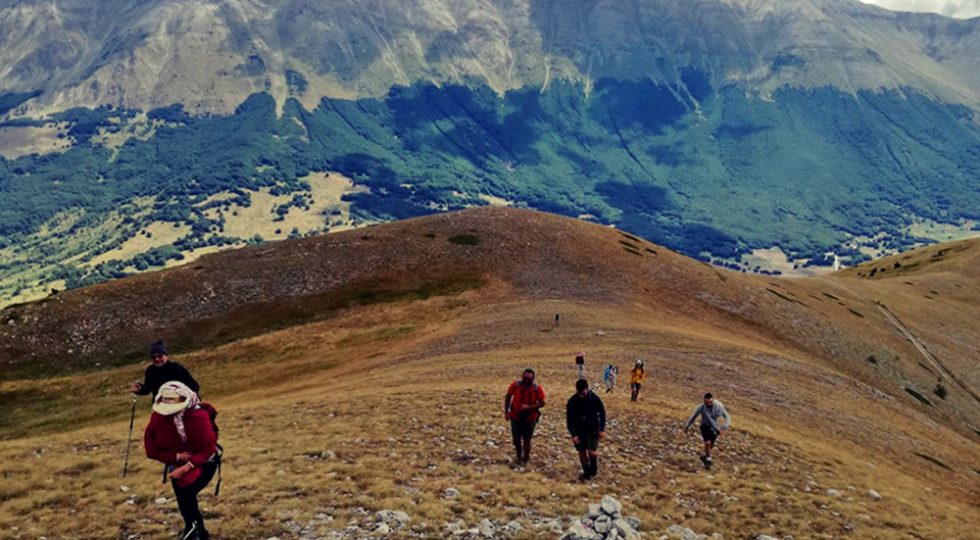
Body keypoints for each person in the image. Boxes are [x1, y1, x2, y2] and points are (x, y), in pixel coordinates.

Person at [144, 381, 219, 540]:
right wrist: (177, 458)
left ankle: (195, 532)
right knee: (185, 502)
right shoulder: (158, 417)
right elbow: (150, 449)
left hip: (205, 464)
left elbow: (209, 447)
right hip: (176, 466)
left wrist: (186, 466)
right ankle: (195, 531)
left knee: (186, 498)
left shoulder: (199, 416)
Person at [566, 379, 606, 481]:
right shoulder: (572, 401)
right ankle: (586, 472)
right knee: (581, 451)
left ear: (587, 389)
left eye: (583, 393)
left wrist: (602, 429)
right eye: (580, 393)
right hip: (579, 430)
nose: (582, 395)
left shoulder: (595, 399)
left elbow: (602, 413)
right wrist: (574, 434)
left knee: (592, 451)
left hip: (593, 429)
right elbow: (569, 419)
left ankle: (593, 470)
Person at [131, 341, 200, 400]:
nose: (157, 359)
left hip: (179, 403)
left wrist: (189, 399)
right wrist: (139, 389)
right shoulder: (150, 370)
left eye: (160, 356)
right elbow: (147, 389)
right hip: (160, 406)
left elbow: (193, 385)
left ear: (166, 356)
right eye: (154, 357)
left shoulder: (175, 368)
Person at [504, 368, 546, 465]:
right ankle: (519, 454)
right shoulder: (515, 385)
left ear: (533, 379)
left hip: (530, 417)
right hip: (515, 415)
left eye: (529, 378)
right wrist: (506, 411)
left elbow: (542, 403)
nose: (526, 380)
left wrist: (529, 407)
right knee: (516, 438)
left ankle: (526, 458)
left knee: (527, 439)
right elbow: (508, 396)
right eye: (525, 378)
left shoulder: (536, 388)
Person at [684, 392, 732, 469]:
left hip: (715, 427)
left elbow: (727, 417)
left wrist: (724, 427)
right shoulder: (701, 407)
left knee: (709, 447)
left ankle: (705, 458)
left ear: (712, 400)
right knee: (707, 442)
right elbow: (693, 417)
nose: (709, 403)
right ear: (704, 401)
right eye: (707, 402)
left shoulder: (719, 406)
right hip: (705, 426)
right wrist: (687, 426)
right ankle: (709, 460)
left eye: (710, 402)